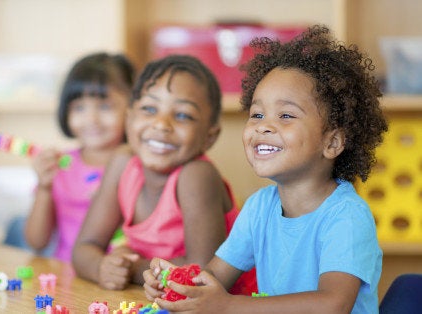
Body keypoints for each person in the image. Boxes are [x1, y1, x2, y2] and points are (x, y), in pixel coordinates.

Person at [143, 25, 387, 313]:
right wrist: (177, 283)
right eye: (257, 114)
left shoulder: (346, 216)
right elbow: (214, 279)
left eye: (286, 115)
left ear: (332, 142)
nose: (263, 125)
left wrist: (228, 306)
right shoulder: (259, 208)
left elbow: (332, 304)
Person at [72, 54, 257, 294]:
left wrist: (132, 268)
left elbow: (202, 273)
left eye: (182, 115)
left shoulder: (197, 175)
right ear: (129, 120)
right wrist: (101, 267)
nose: (161, 124)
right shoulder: (122, 163)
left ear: (209, 136)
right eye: (149, 109)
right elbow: (84, 248)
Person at [12, 52, 136, 262]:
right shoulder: (61, 165)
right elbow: (36, 242)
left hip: (116, 277)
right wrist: (44, 187)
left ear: (132, 109)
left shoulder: (137, 166)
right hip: (67, 279)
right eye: (79, 107)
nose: (91, 119)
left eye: (105, 106)